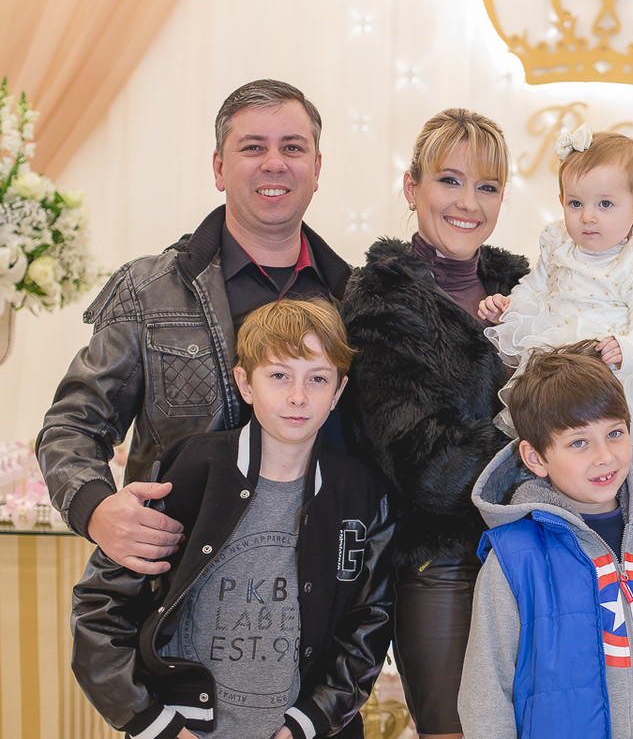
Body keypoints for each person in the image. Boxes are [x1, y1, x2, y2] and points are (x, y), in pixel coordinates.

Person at [38, 79, 349, 576]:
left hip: (316, 592)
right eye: (253, 147)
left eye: (293, 147)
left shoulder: (355, 302)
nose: (275, 163)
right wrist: (96, 509)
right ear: (219, 168)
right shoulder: (147, 290)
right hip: (171, 590)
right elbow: (72, 426)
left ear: (316, 169)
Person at [71, 297, 395, 739]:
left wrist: (309, 723)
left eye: (317, 379)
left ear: (338, 391)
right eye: (279, 375)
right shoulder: (187, 472)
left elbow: (369, 625)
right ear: (245, 383)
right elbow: (99, 610)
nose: (298, 396)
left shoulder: (361, 492)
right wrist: (152, 723)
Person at [339, 108, 528, 739]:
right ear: (411, 185)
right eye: (450, 181)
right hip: (443, 562)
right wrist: (545, 449)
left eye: (488, 186)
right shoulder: (380, 298)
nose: (468, 203)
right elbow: (429, 467)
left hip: (539, 554)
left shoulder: (530, 286)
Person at [459, 341, 633, 739]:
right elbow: (485, 694)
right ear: (536, 458)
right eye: (578, 442)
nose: (605, 456)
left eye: (615, 433)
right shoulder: (515, 559)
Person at [479, 125, 633, 527]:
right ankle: (558, 521)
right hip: (559, 362)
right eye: (575, 203)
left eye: (605, 204)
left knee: (628, 460)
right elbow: (535, 288)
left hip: (618, 375)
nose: (587, 217)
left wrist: (628, 348)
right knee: (558, 448)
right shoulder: (557, 243)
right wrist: (510, 308)